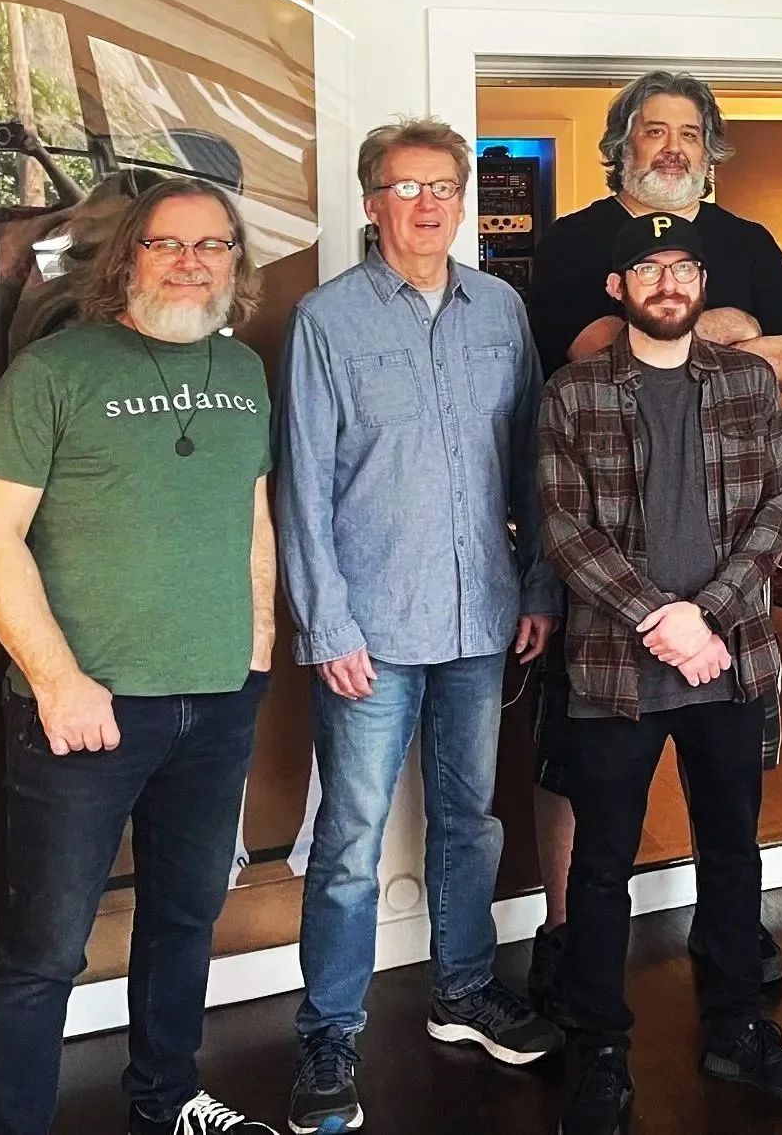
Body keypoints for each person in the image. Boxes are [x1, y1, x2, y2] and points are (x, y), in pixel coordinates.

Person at [0, 178, 281, 1135]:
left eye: (212, 244)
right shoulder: (54, 371)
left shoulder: (245, 373)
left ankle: (168, 1100)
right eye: (166, 243)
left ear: (236, 262)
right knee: (45, 953)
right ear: (127, 258)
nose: (190, 261)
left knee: (183, 923)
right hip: (85, 713)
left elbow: (251, 512)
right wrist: (58, 681)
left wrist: (257, 643)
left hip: (216, 701)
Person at [274, 121, 562, 1134]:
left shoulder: (501, 310)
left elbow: (533, 462)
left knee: (468, 820)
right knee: (350, 839)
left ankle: (464, 991)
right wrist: (328, 625)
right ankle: (330, 1035)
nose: (430, 205)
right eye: (407, 187)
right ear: (372, 202)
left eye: (446, 186)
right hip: (370, 629)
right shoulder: (325, 320)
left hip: (481, 614)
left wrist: (537, 584)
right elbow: (301, 490)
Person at [521, 69, 782, 1003]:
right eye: (654, 132)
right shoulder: (567, 244)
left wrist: (715, 344)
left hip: (727, 625)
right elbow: (568, 359)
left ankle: (735, 989)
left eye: (690, 132)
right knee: (591, 805)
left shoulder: (750, 242)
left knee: (732, 829)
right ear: (624, 143)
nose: (673, 148)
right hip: (611, 616)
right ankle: (572, 946)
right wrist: (661, 616)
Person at [539, 212, 782, 1130]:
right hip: (613, 669)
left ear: (702, 283)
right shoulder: (573, 391)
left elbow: (778, 510)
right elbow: (562, 526)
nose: (669, 279)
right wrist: (657, 618)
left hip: (730, 657)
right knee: (601, 866)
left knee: (735, 849)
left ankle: (738, 1025)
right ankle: (600, 1047)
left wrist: (707, 613)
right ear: (618, 287)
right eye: (648, 267)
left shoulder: (747, 380)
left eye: (684, 265)